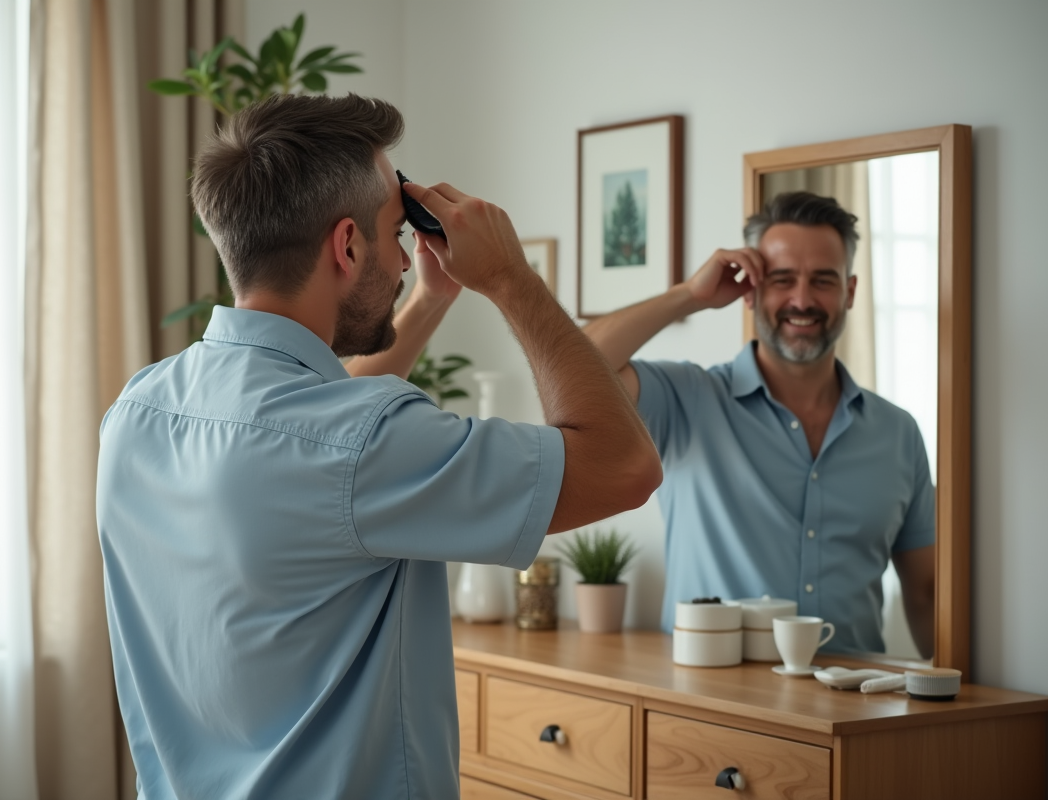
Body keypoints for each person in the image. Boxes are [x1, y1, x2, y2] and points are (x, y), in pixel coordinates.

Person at [95, 94, 661, 800]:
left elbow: (319, 438)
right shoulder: (359, 440)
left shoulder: (138, 409)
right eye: (397, 235)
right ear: (347, 245)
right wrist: (510, 280)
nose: (402, 261)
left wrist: (429, 301)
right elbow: (623, 467)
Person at [583, 191, 935, 657]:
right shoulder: (687, 401)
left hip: (851, 712)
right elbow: (578, 368)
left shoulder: (898, 433)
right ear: (751, 291)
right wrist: (688, 296)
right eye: (783, 279)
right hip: (708, 710)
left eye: (823, 281)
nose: (802, 300)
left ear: (849, 292)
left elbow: (927, 592)